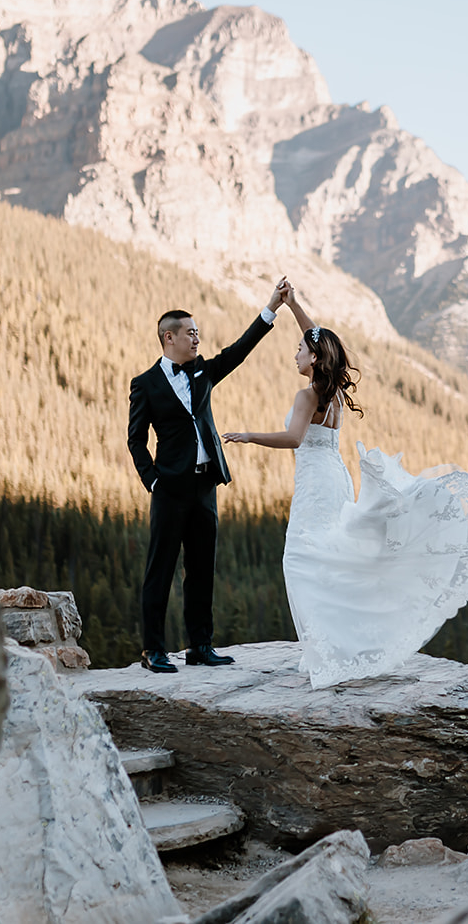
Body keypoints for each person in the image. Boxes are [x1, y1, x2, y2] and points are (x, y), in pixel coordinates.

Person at [222, 286, 468, 688]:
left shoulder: (307, 396)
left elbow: (294, 438)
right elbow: (319, 338)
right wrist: (293, 305)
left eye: (300, 349)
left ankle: (326, 650)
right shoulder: (331, 391)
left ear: (314, 358)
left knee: (300, 559)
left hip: (316, 482)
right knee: (329, 556)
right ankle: (335, 644)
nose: (294, 353)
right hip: (335, 476)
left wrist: (248, 435)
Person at [128, 279, 289, 673]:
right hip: (169, 489)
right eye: (190, 333)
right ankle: (153, 651)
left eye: (198, 332)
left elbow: (239, 350)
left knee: (201, 570)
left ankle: (200, 646)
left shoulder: (203, 371)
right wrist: (153, 481)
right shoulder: (145, 384)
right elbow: (135, 440)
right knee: (160, 570)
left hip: (204, 486)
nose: (197, 338)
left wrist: (271, 308)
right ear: (169, 337)